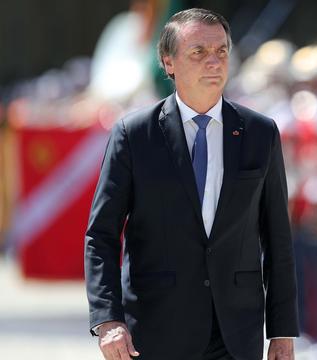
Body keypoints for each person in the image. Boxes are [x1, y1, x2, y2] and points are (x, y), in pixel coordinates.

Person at [84, 8, 299, 360]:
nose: (213, 62)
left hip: (235, 333)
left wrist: (282, 331)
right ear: (168, 62)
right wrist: (108, 320)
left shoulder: (260, 133)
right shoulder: (135, 135)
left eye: (221, 51)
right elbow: (101, 234)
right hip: (155, 330)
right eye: (198, 52)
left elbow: (277, 238)